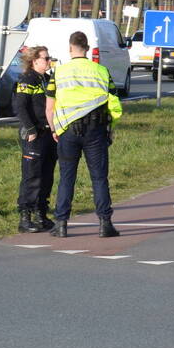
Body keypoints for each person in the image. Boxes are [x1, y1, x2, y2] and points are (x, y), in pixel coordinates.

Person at [45, 31, 123, 238]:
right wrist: (110, 126)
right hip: (95, 130)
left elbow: (49, 107)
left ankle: (61, 224)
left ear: (70, 48)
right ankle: (105, 224)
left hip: (68, 131)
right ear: (87, 49)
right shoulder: (101, 71)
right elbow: (114, 102)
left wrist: (54, 129)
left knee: (66, 178)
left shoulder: (59, 72)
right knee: (99, 178)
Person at [12, 45, 57, 233]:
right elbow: (20, 106)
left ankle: (41, 214)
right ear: (34, 61)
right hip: (34, 134)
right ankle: (25, 217)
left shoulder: (47, 79)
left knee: (47, 175)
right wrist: (30, 128)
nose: (49, 61)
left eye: (49, 58)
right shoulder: (27, 79)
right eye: (46, 58)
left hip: (49, 133)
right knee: (32, 176)